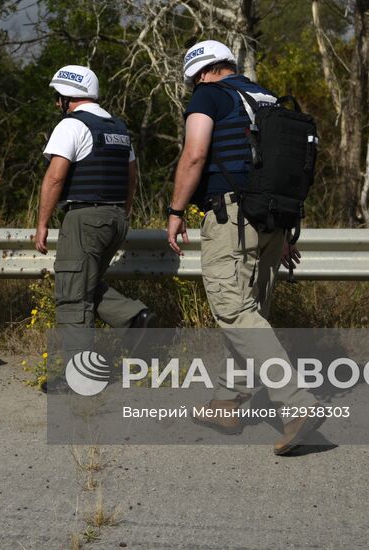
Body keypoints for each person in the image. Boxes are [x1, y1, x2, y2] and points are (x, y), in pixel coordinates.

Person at [163, 41, 319, 453]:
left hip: (232, 217)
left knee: (233, 309)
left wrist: (175, 209)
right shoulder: (262, 95)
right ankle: (228, 403)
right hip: (272, 219)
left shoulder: (208, 95)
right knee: (249, 313)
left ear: (199, 73)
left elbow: (195, 155)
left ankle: (297, 403)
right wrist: (282, 230)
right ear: (229, 65)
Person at [33, 65, 150, 393]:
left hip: (85, 218)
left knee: (71, 295)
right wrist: (123, 213)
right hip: (115, 219)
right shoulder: (117, 127)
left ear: (66, 96)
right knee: (85, 284)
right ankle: (132, 317)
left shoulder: (72, 125)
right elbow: (132, 175)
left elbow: (55, 177)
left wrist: (42, 223)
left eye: (59, 96)